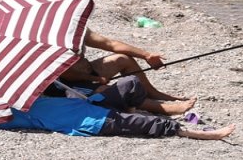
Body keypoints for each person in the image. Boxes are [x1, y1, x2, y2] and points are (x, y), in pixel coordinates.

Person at [0, 76, 234, 141]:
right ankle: (197, 133)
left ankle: (135, 109)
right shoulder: (2, 113)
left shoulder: (18, 88)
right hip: (89, 121)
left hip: (84, 104)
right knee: (148, 124)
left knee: (130, 83)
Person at [56, 28, 192, 107]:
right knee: (114, 93)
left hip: (87, 71)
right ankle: (166, 108)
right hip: (66, 83)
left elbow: (110, 44)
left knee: (122, 59)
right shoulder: (51, 38)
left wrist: (147, 55)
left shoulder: (76, 28)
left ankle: (152, 93)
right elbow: (65, 73)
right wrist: (95, 78)